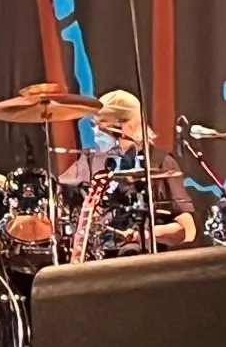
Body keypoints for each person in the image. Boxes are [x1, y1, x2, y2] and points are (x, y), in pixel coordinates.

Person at [59, 89, 196, 252]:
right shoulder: (98, 162)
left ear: (128, 126)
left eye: (102, 126)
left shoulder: (159, 162)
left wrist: (143, 235)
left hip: (144, 264)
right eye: (95, 125)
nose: (96, 133)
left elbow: (188, 230)